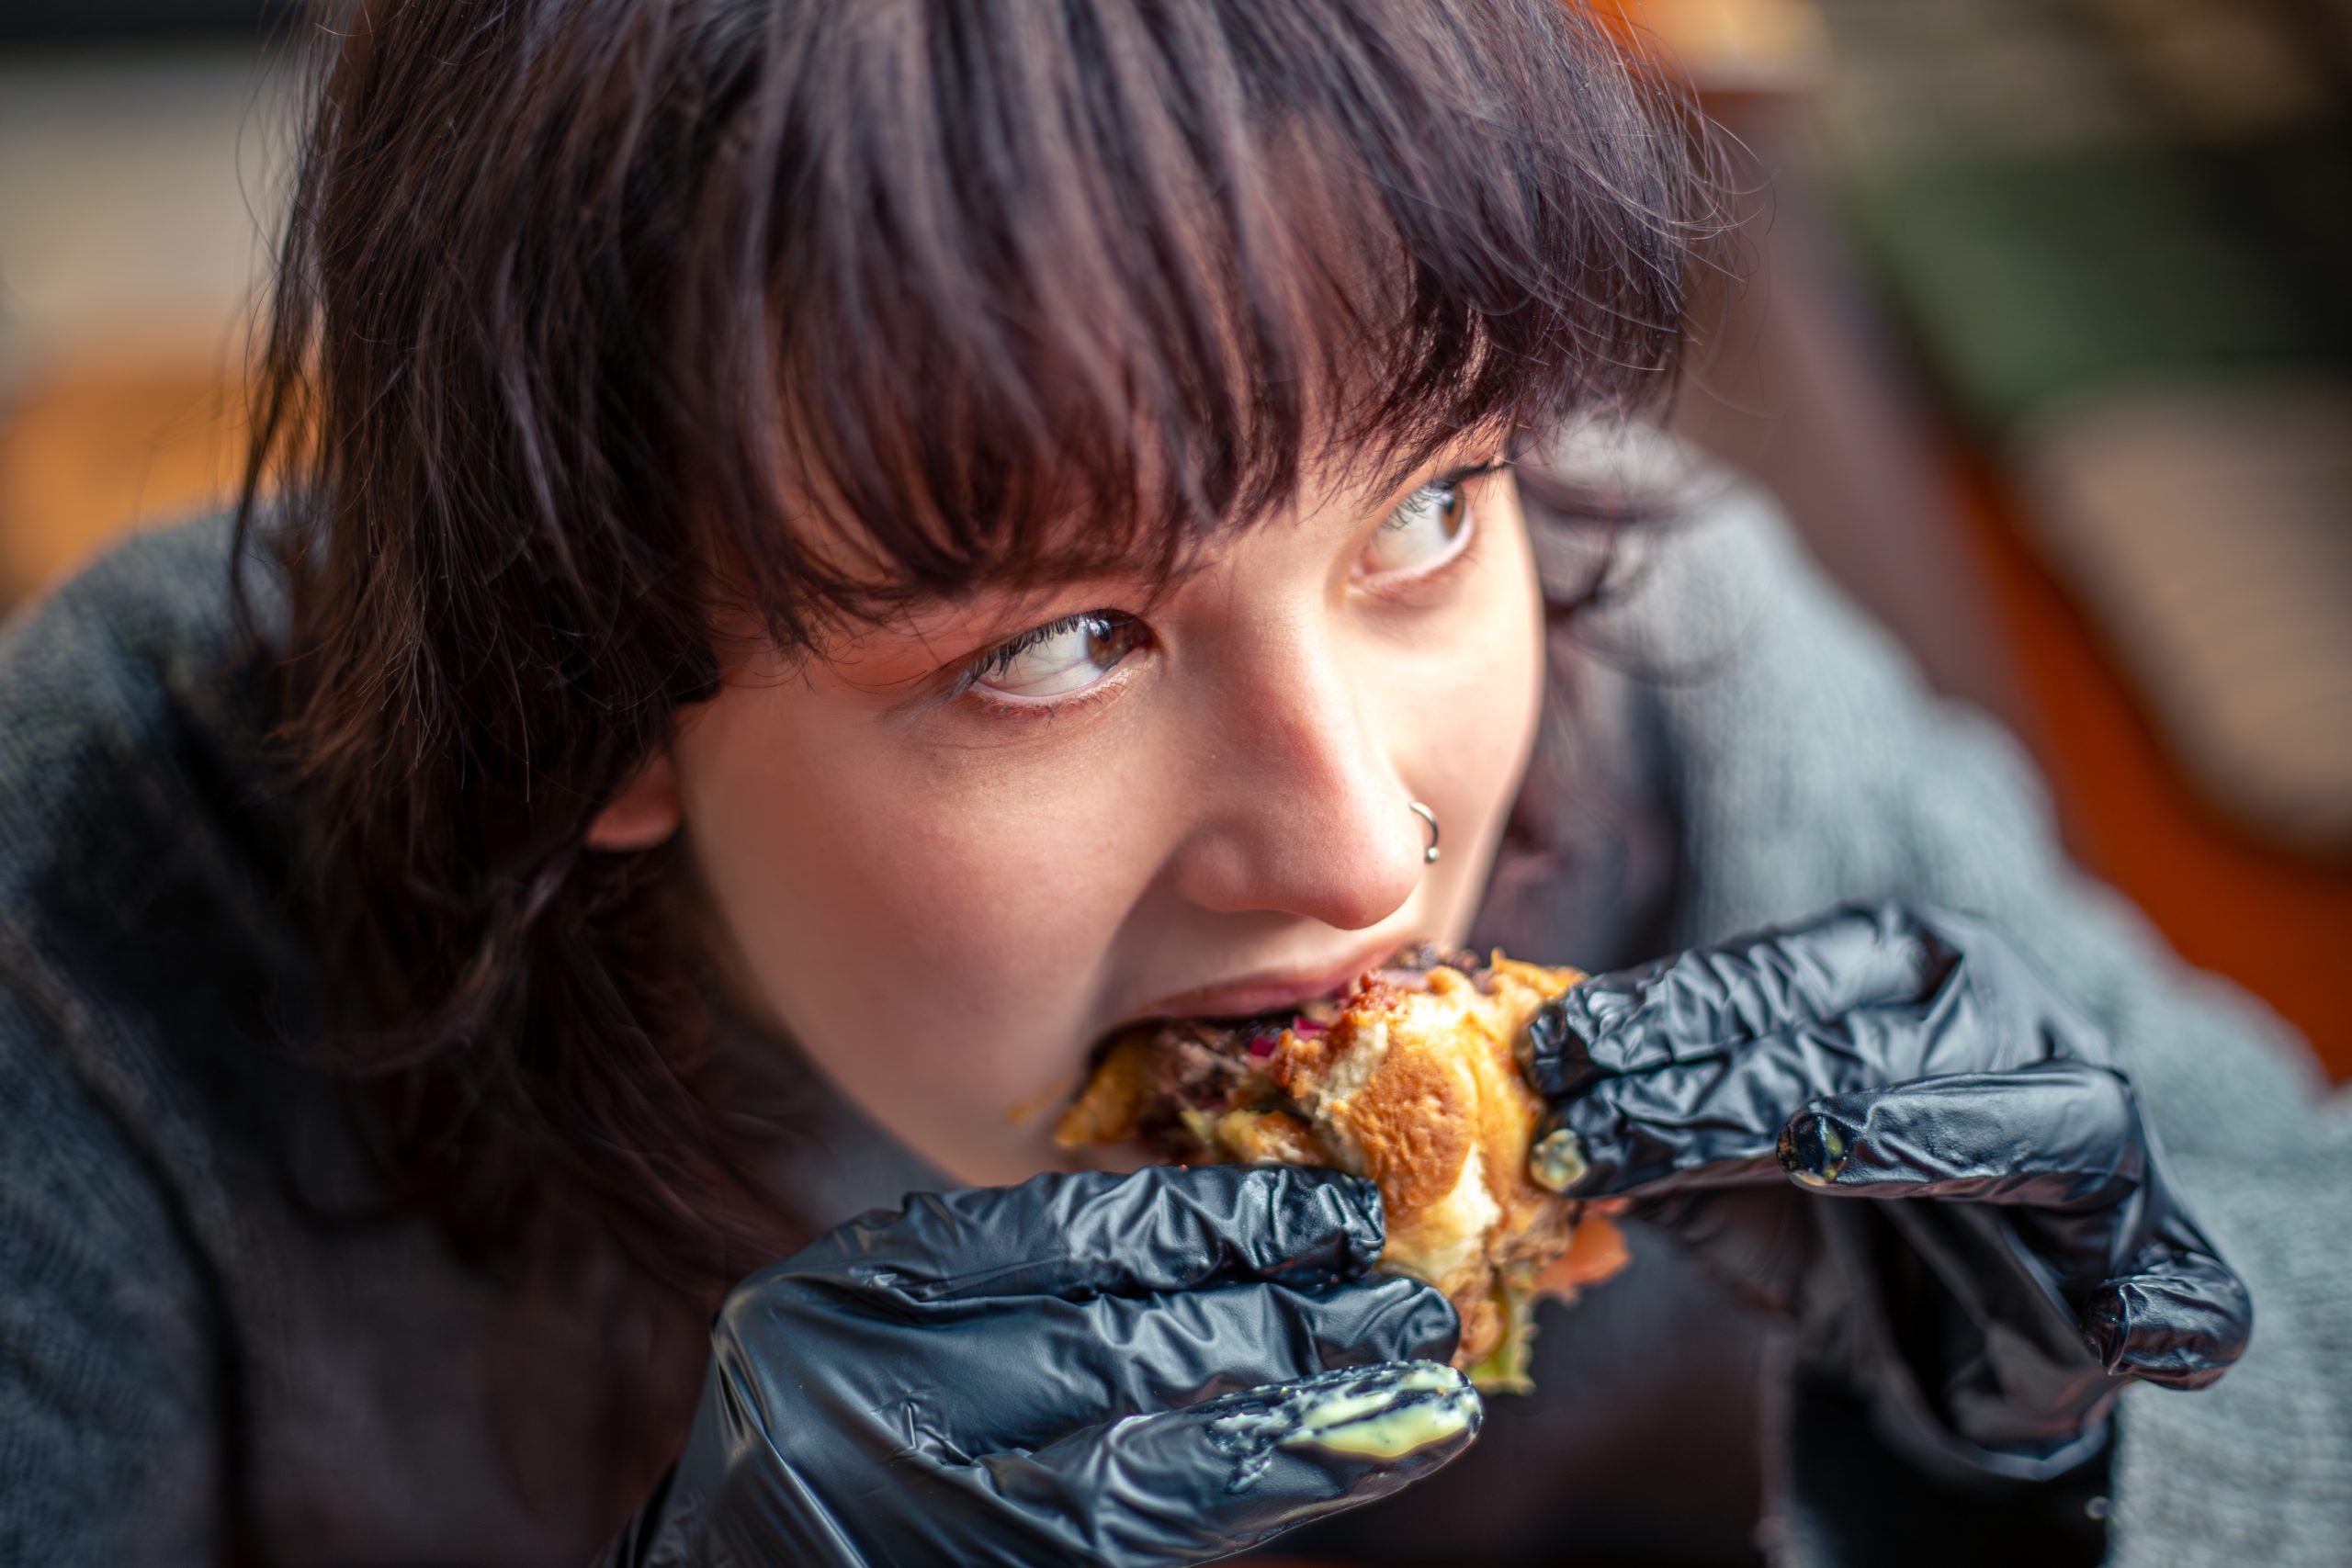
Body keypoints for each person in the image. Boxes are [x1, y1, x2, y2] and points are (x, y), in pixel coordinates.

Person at [0, 2, 2342, 1564]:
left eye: (1422, 513)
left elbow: (2296, 1267)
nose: (1360, 851)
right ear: (577, 666)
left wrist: (2099, 1455)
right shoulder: (121, 880)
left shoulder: (1682, 662)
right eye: (1061, 644)